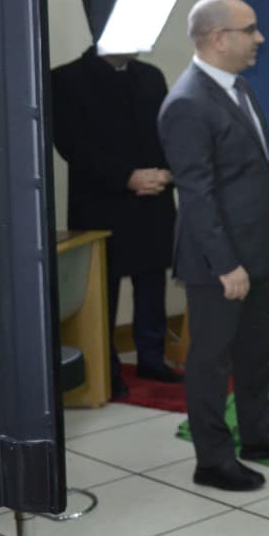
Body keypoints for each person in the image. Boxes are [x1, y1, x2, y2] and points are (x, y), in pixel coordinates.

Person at [157, 0, 269, 493]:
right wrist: (226, 264)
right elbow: (196, 195)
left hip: (256, 246)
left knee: (255, 352)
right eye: (250, 29)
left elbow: (259, 169)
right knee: (211, 361)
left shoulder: (238, 87)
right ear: (218, 37)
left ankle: (259, 435)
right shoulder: (187, 103)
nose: (259, 38)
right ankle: (212, 459)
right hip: (218, 261)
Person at [51, 47, 180, 398]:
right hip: (102, 202)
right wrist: (126, 177)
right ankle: (105, 368)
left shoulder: (150, 76)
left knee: (152, 282)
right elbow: (72, 146)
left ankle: (152, 358)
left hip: (154, 195)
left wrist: (167, 173)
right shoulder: (66, 78)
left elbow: (169, 131)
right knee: (103, 286)